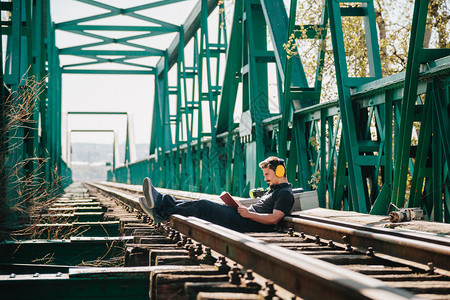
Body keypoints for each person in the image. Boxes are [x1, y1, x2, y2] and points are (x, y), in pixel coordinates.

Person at [138, 156, 294, 232]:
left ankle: (160, 206)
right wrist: (238, 207)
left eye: (267, 174)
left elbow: (274, 219)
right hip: (244, 218)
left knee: (203, 205)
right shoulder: (273, 191)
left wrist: (248, 215)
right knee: (203, 204)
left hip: (247, 224)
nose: (265, 178)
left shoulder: (285, 194)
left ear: (280, 172)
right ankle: (160, 206)